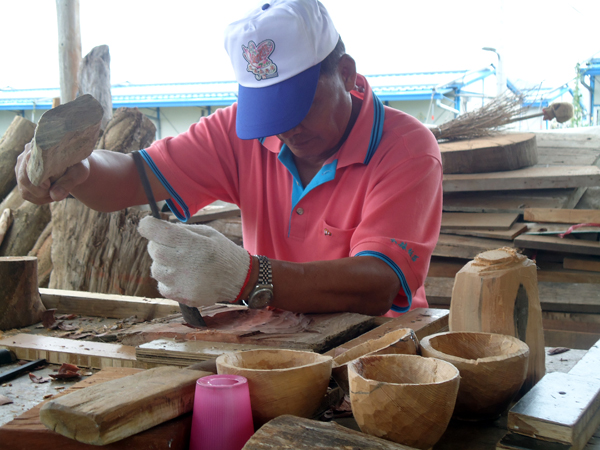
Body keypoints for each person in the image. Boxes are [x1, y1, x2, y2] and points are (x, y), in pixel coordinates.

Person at [16, 0, 442, 317]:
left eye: (298, 106)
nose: (286, 128)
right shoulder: (240, 131)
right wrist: (80, 169)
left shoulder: (407, 149)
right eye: (271, 113)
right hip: (272, 347)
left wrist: (251, 276)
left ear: (345, 74)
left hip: (374, 360)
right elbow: (133, 176)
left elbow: (377, 286)